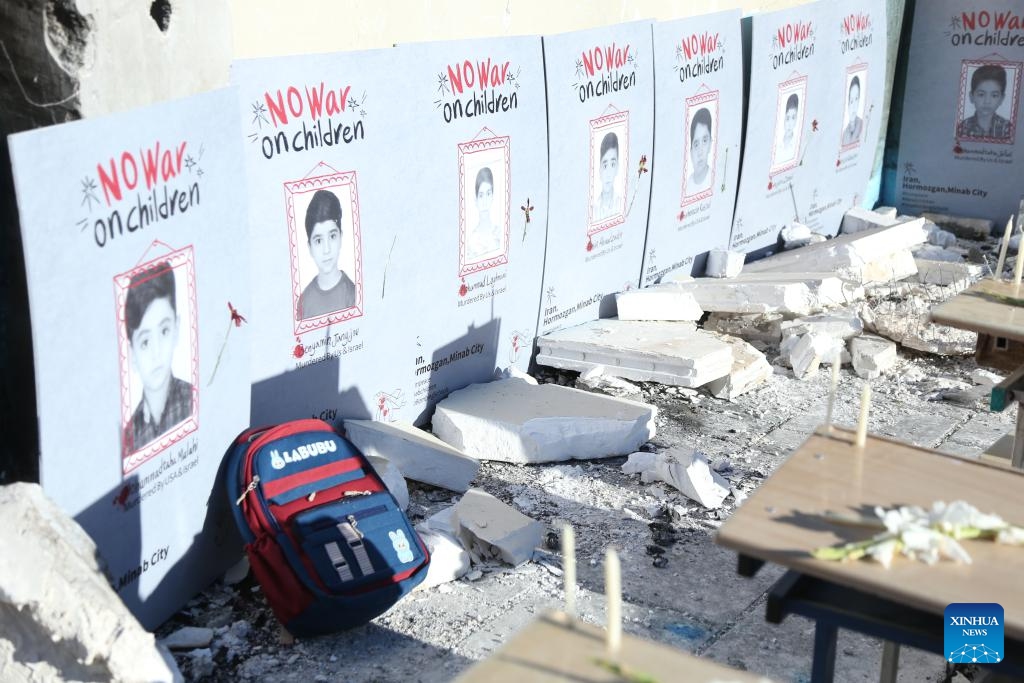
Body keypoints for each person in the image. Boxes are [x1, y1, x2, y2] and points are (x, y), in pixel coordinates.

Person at [123, 261, 194, 454]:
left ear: (176, 329)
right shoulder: (128, 438)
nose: (156, 353)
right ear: (132, 354)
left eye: (164, 331)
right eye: (145, 342)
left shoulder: (192, 400)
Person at [297, 189, 356, 319]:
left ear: (341, 237)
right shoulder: (303, 302)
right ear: (310, 248)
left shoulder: (353, 296)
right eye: (318, 240)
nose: (327, 249)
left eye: (332, 236)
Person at [958, 63, 1012, 139]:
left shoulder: (1008, 128)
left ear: (1001, 99)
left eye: (994, 95)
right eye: (981, 94)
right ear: (971, 97)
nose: (987, 101)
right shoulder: (962, 128)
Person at [466, 167, 502, 260]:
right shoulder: (471, 241)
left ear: (493, 196)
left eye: (488, 193)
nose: (485, 201)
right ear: (476, 200)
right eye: (481, 195)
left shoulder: (499, 234)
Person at [593, 131, 622, 220]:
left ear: (617, 168)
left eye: (612, 165)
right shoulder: (594, 209)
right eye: (605, 166)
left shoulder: (621, 203)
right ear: (599, 170)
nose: (608, 174)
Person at [686, 107, 713, 195]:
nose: (700, 152)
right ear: (690, 152)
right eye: (696, 144)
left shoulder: (714, 179)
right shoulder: (688, 185)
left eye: (704, 141)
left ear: (710, 144)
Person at [776, 93, 800, 163]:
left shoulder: (797, 144)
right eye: (787, 118)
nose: (790, 124)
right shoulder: (778, 143)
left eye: (793, 118)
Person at [841, 75, 863, 146]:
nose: (854, 106)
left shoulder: (862, 125)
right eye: (851, 101)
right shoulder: (844, 135)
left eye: (856, 99)